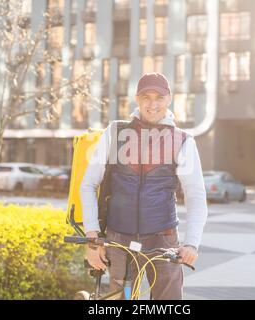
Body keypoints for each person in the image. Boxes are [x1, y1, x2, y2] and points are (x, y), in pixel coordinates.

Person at [80, 73, 208, 300]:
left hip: (163, 239)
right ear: (137, 99)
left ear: (169, 99)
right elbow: (88, 185)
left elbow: (195, 195)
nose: (152, 104)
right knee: (120, 300)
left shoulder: (182, 140)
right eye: (146, 97)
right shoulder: (115, 133)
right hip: (119, 237)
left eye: (159, 97)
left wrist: (191, 244)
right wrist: (93, 238)